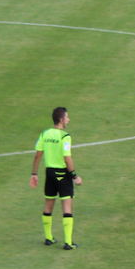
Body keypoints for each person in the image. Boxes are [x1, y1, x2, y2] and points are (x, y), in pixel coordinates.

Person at [31, 106, 82, 249]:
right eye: (67, 117)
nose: (68, 120)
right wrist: (75, 176)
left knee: (49, 204)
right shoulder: (65, 136)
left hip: (49, 173)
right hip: (62, 175)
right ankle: (68, 242)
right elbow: (67, 158)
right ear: (61, 120)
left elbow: (38, 154)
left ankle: (48, 238)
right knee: (67, 206)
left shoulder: (45, 134)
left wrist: (34, 174)